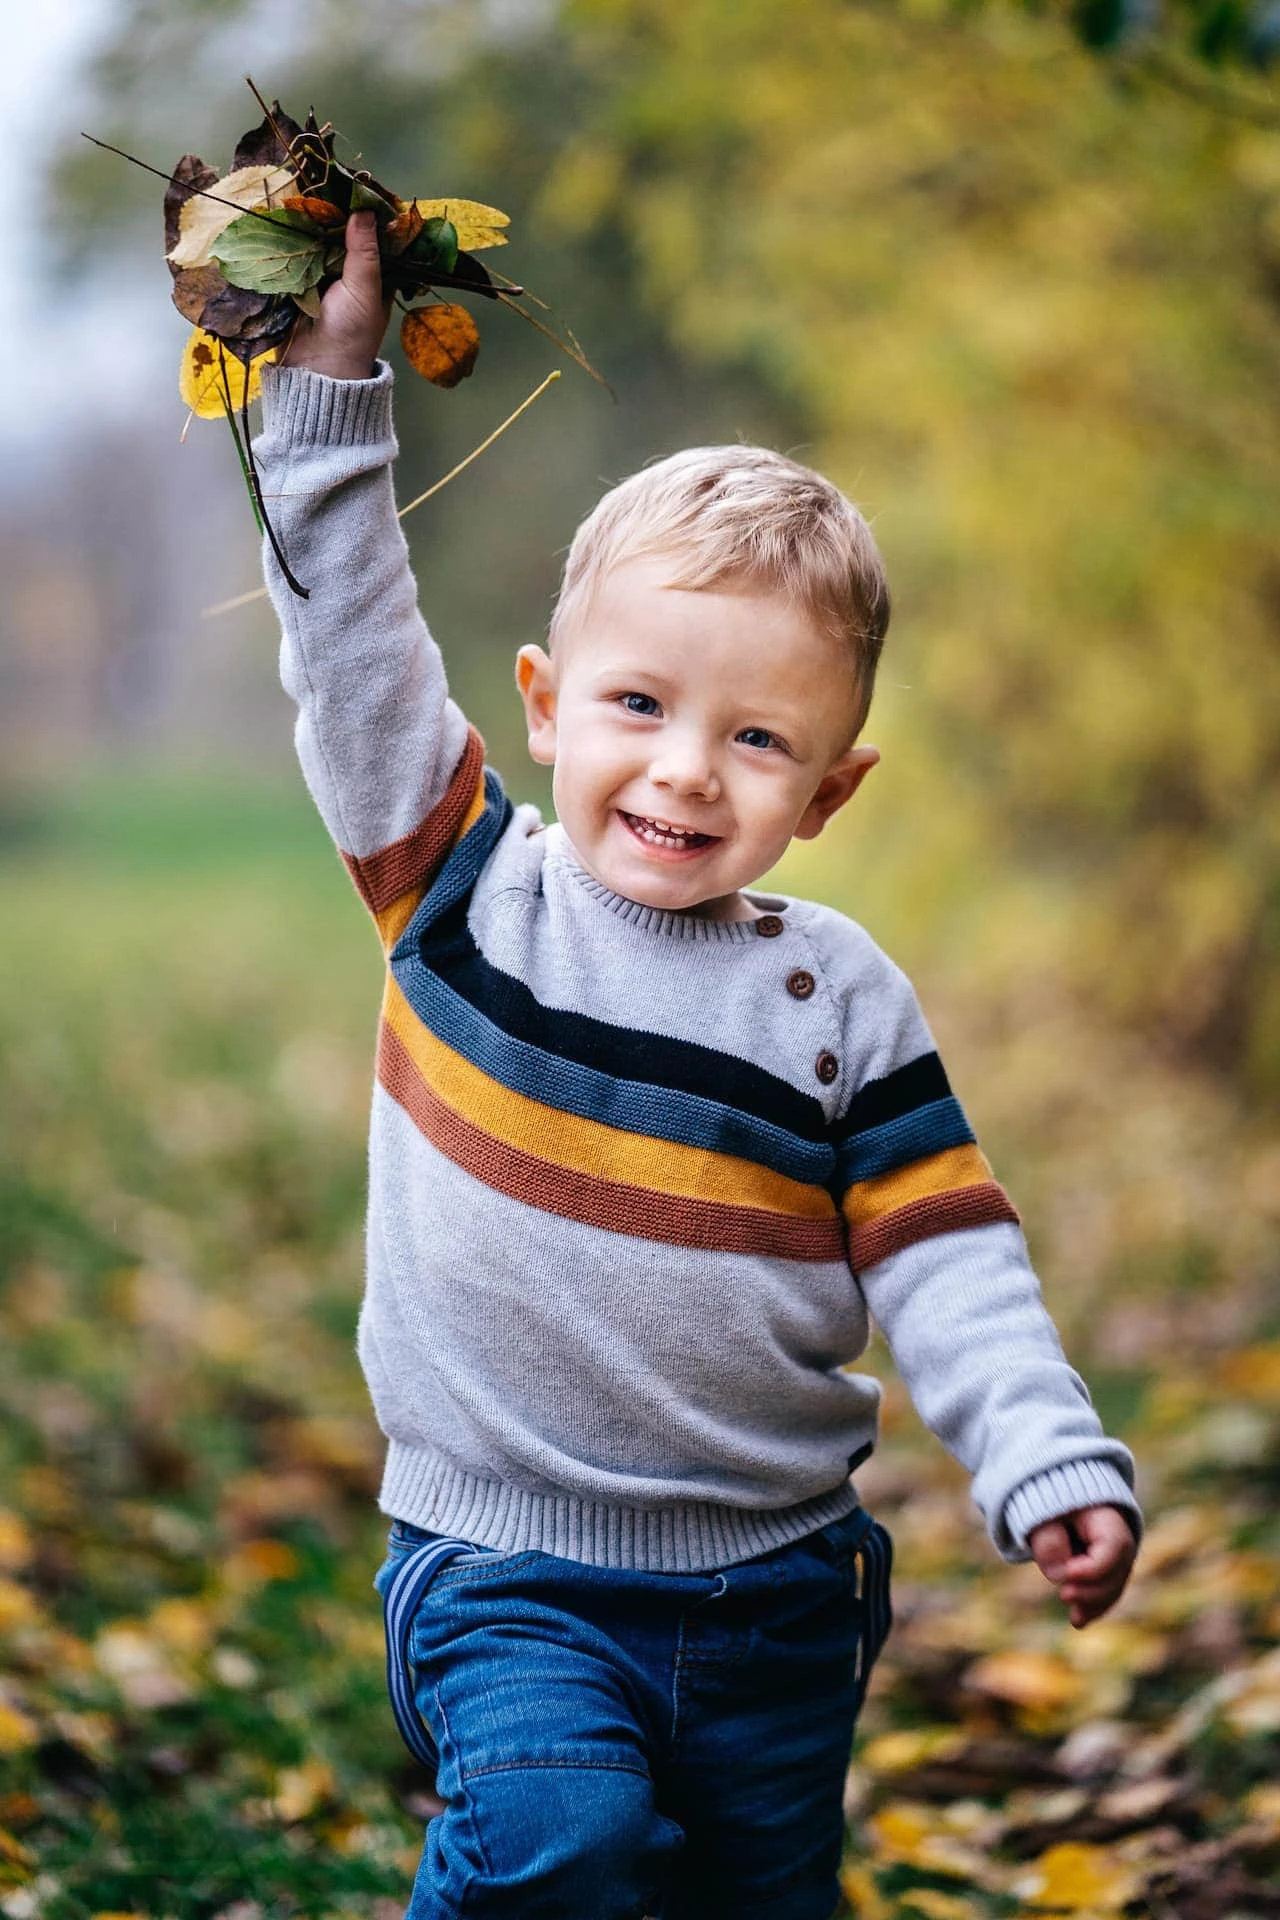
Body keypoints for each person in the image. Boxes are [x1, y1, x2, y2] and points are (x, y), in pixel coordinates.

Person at [254, 213, 1141, 1920]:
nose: (684, 771)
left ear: (830, 789)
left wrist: (1045, 1457)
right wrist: (326, 386)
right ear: (543, 698)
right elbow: (350, 645)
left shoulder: (839, 997)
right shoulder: (459, 890)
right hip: (503, 1564)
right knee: (557, 1855)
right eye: (640, 705)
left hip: (777, 1601)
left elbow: (949, 1257)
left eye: (756, 739)